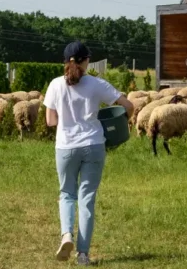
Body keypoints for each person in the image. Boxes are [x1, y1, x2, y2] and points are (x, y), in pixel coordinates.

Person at [44, 41, 134, 266]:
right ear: (86, 61)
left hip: (65, 147)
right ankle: (83, 254)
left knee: (67, 194)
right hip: (94, 145)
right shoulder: (96, 84)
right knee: (87, 199)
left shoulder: (55, 85)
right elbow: (129, 105)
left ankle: (66, 235)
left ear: (65, 62)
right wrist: (121, 123)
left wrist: (68, 119)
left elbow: (50, 120)